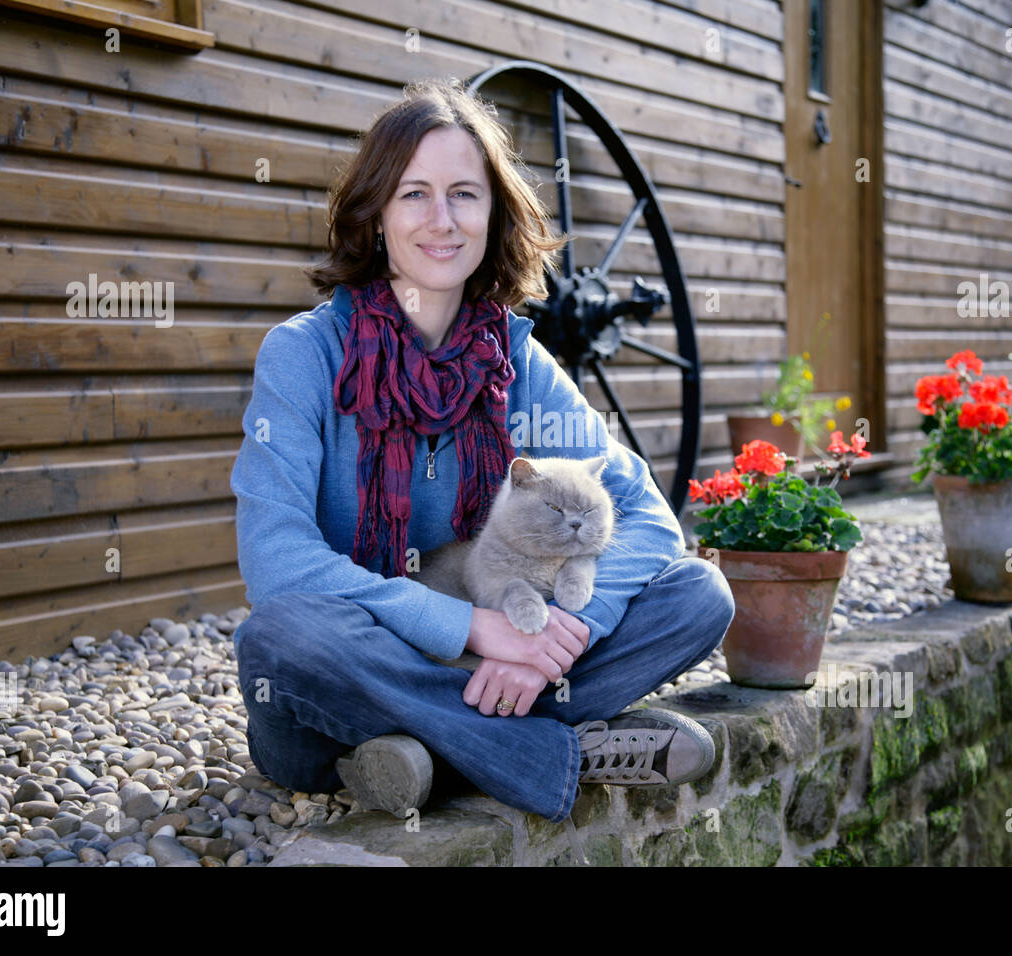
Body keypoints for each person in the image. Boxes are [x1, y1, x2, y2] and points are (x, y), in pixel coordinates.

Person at [229, 76, 735, 841]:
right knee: (281, 637)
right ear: (373, 216)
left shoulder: (518, 365)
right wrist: (467, 628)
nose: (442, 220)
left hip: (506, 662)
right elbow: (274, 560)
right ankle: (542, 752)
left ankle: (421, 755)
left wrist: (562, 636)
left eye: (464, 194)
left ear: (493, 214)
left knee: (698, 595)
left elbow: (645, 517)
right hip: (350, 669)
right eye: (413, 195)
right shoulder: (304, 355)